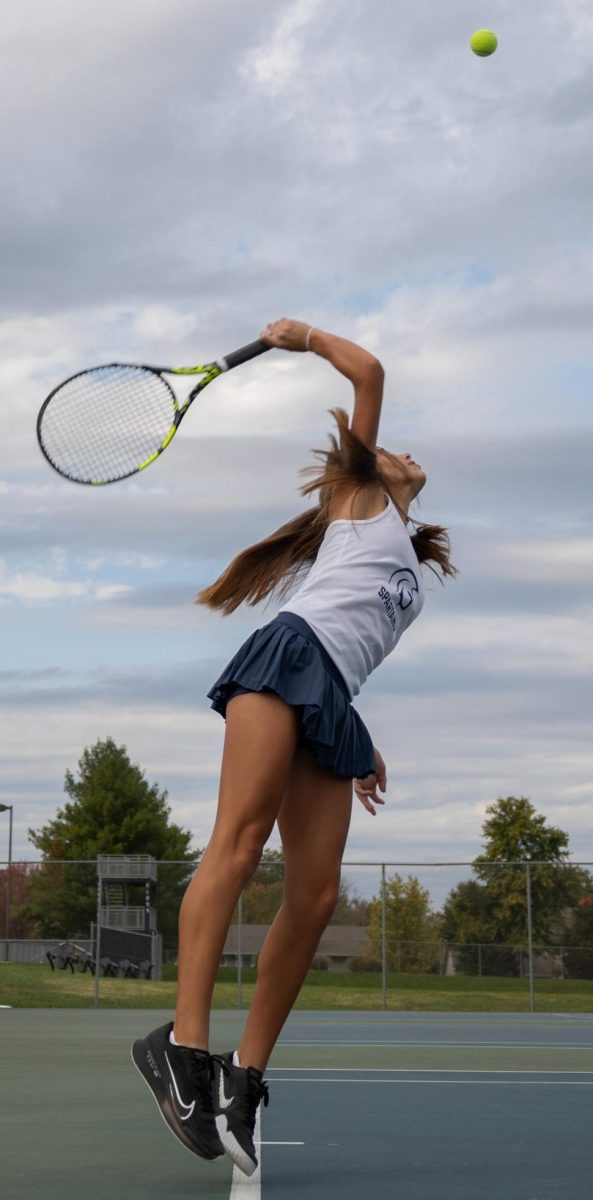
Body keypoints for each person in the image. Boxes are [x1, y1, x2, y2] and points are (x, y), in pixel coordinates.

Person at [132, 318, 456, 1176]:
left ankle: (244, 1077)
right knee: (238, 847)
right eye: (395, 451)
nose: (407, 454)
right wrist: (300, 336)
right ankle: (182, 1047)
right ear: (369, 465)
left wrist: (361, 736)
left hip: (330, 698)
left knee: (312, 899)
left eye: (404, 455)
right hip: (283, 662)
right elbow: (372, 370)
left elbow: (353, 641)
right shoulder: (359, 495)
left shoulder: (398, 551)